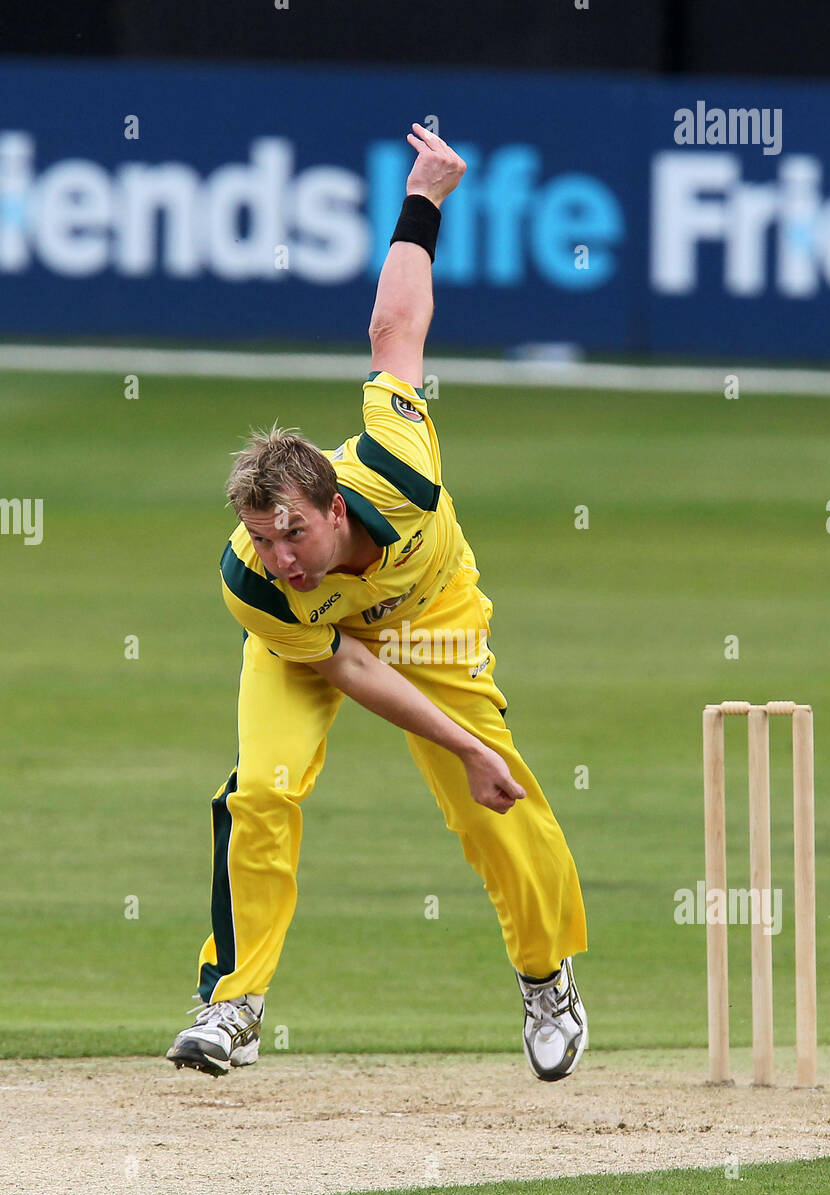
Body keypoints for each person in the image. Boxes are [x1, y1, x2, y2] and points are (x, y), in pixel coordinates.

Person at [166, 123, 588, 1083]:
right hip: (318, 651)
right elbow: (346, 667)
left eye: (294, 534)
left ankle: (544, 977)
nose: (282, 556)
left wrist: (425, 198)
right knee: (263, 789)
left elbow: (395, 330)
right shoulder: (257, 586)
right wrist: (458, 740)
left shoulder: (398, 469)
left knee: (494, 798)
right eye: (264, 540)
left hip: (433, 617)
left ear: (330, 499)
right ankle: (234, 1004)